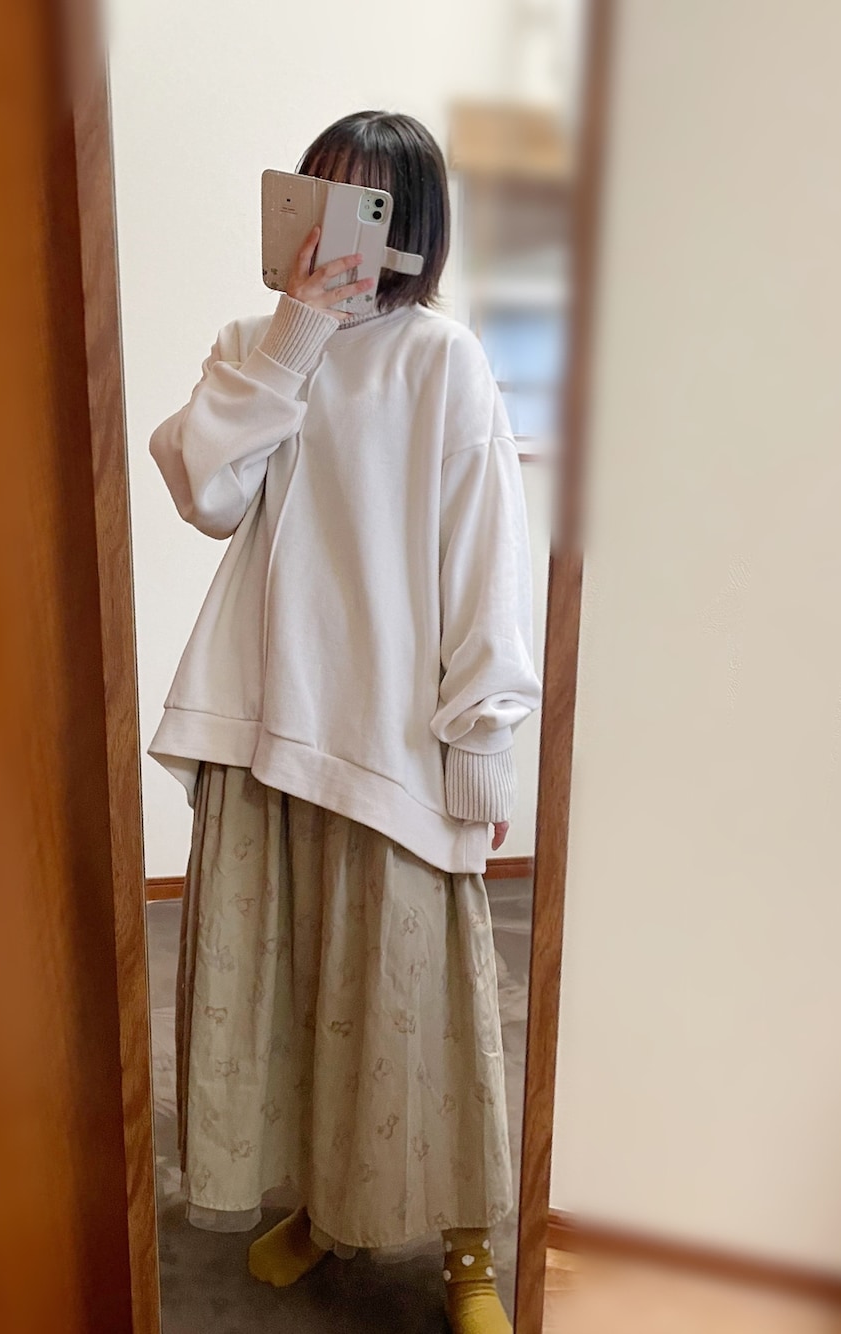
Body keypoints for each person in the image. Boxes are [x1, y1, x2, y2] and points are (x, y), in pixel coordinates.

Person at [148, 110, 541, 1334]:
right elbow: (205, 491)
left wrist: (482, 737)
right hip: (264, 730)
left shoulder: (442, 359)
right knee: (293, 995)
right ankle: (327, 1204)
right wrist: (295, 334)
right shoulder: (255, 345)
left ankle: (466, 1247)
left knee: (423, 1007)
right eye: (321, 198)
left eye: (370, 205)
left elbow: (483, 553)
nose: (340, 231)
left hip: (392, 743)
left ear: (410, 227)